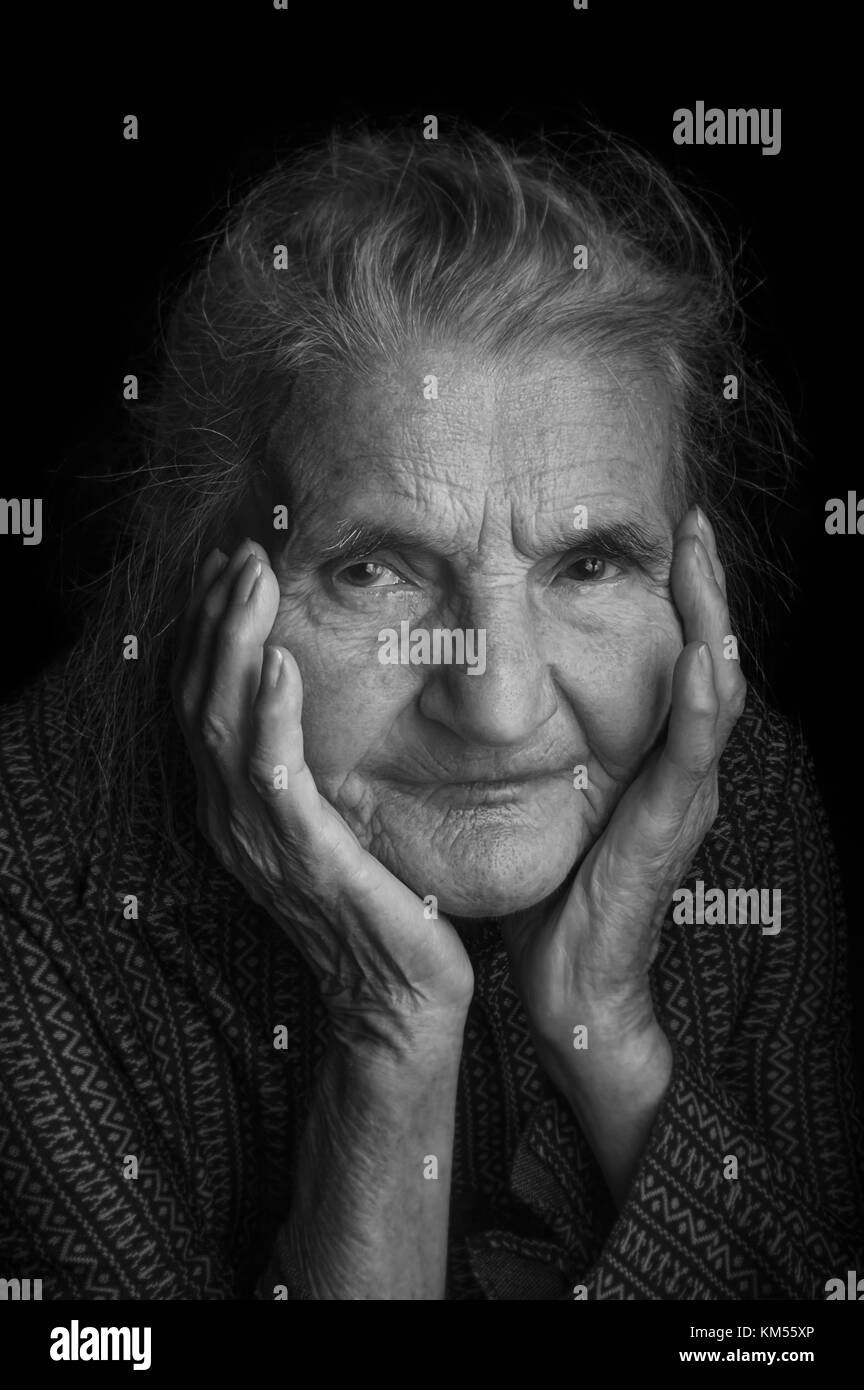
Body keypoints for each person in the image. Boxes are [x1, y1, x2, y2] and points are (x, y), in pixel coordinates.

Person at [1, 126, 862, 1301]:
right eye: (376, 571)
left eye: (592, 565)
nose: (502, 711)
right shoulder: (33, 877)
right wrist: (390, 1023)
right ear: (218, 590)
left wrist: (609, 1036)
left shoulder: (737, 791)